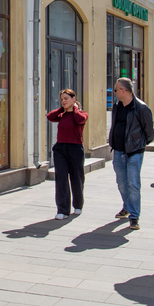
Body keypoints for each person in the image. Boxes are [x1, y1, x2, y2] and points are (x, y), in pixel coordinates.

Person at [108, 78, 154, 230]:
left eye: (116, 90)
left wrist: (139, 144)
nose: (114, 92)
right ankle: (127, 206)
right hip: (118, 150)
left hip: (134, 152)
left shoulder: (141, 108)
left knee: (133, 184)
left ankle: (134, 216)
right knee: (121, 183)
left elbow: (149, 132)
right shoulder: (117, 107)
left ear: (124, 91)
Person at [46, 89, 88, 219]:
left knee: (77, 178)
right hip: (60, 149)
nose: (63, 101)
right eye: (62, 99)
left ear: (74, 99)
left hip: (75, 149)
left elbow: (79, 119)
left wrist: (74, 108)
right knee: (61, 179)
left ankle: (78, 205)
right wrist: (62, 109)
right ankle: (63, 210)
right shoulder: (61, 115)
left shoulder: (81, 113)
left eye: (66, 98)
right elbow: (50, 116)